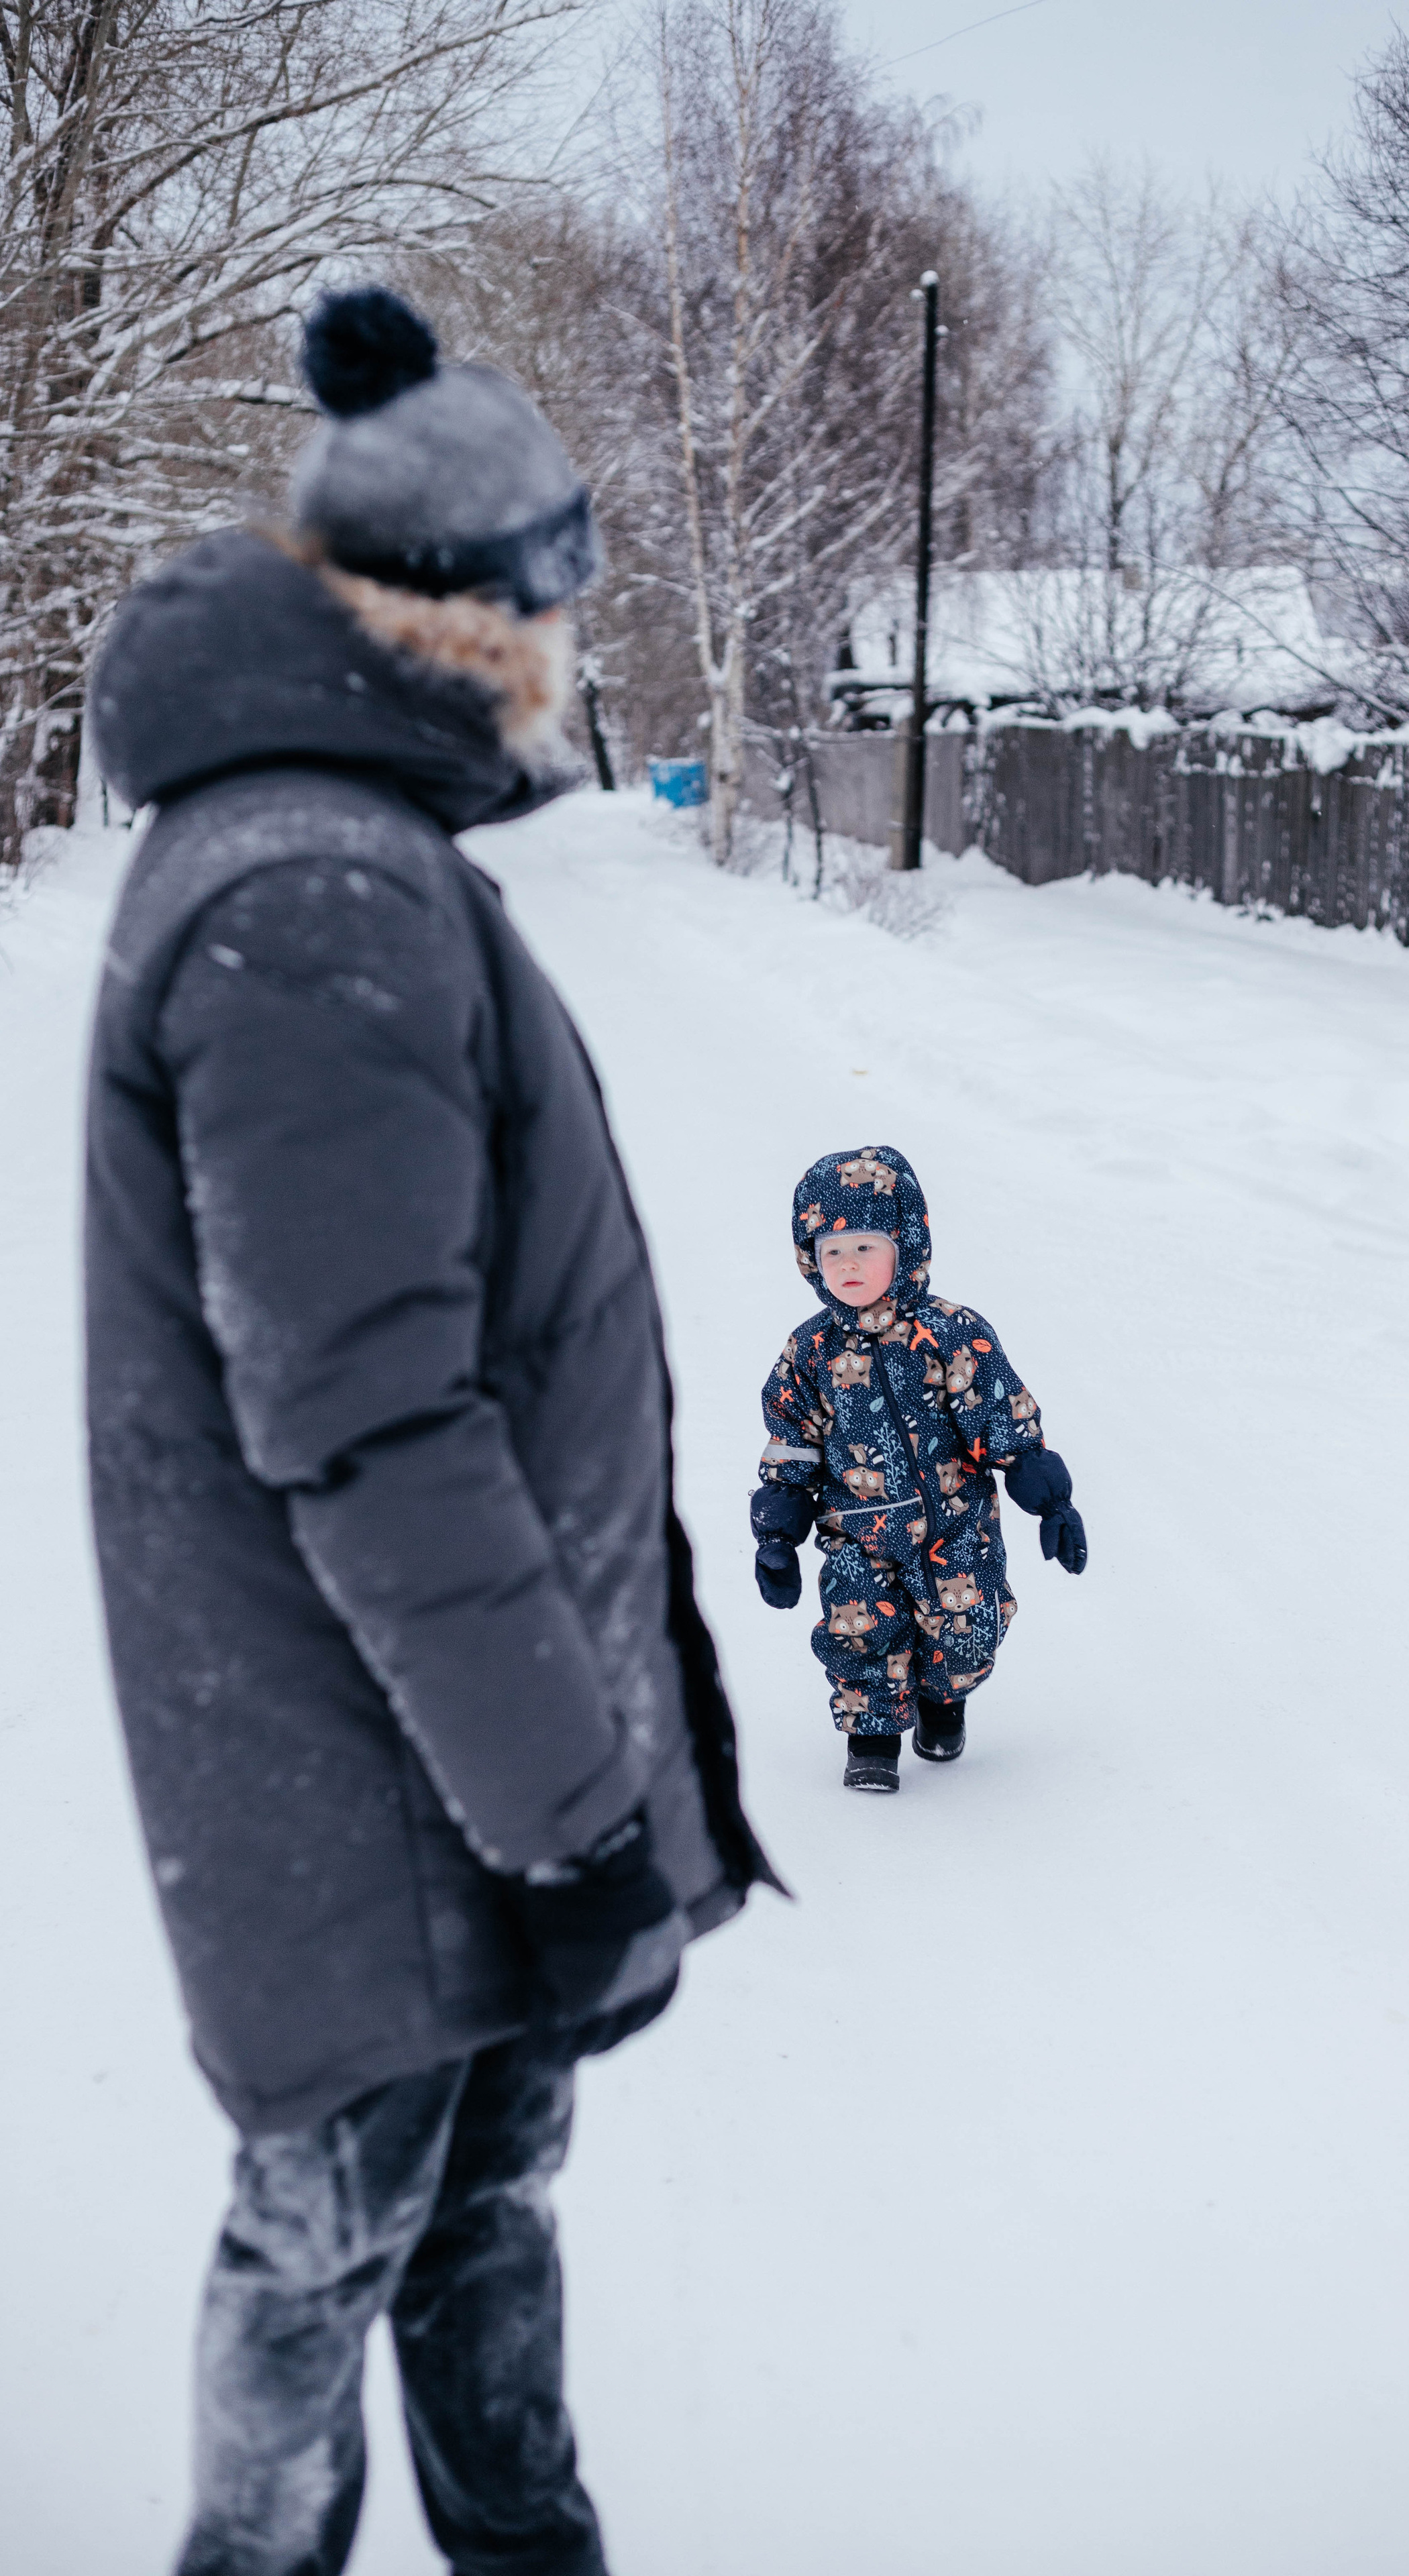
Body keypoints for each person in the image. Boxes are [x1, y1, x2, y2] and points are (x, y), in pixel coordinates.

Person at [84, 287, 780, 2576]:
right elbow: (376, 1422)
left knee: (477, 2207)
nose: (577, 645)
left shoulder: (347, 853)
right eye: (558, 597)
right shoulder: (316, 895)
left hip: (427, 1755)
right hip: (380, 1772)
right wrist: (570, 1829)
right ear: (470, 613)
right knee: (328, 2237)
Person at [749, 1145, 1087, 1792]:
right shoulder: (809, 1351)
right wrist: (778, 1533)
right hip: (858, 1529)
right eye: (832, 1251)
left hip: (956, 1524)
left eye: (865, 1247)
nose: (848, 1264)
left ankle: (942, 1701)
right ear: (811, 1261)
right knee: (858, 1626)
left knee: (967, 1627)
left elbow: (1000, 1416)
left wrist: (1051, 1499)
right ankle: (872, 1737)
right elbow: (792, 1442)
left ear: (904, 1248)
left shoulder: (951, 1333)